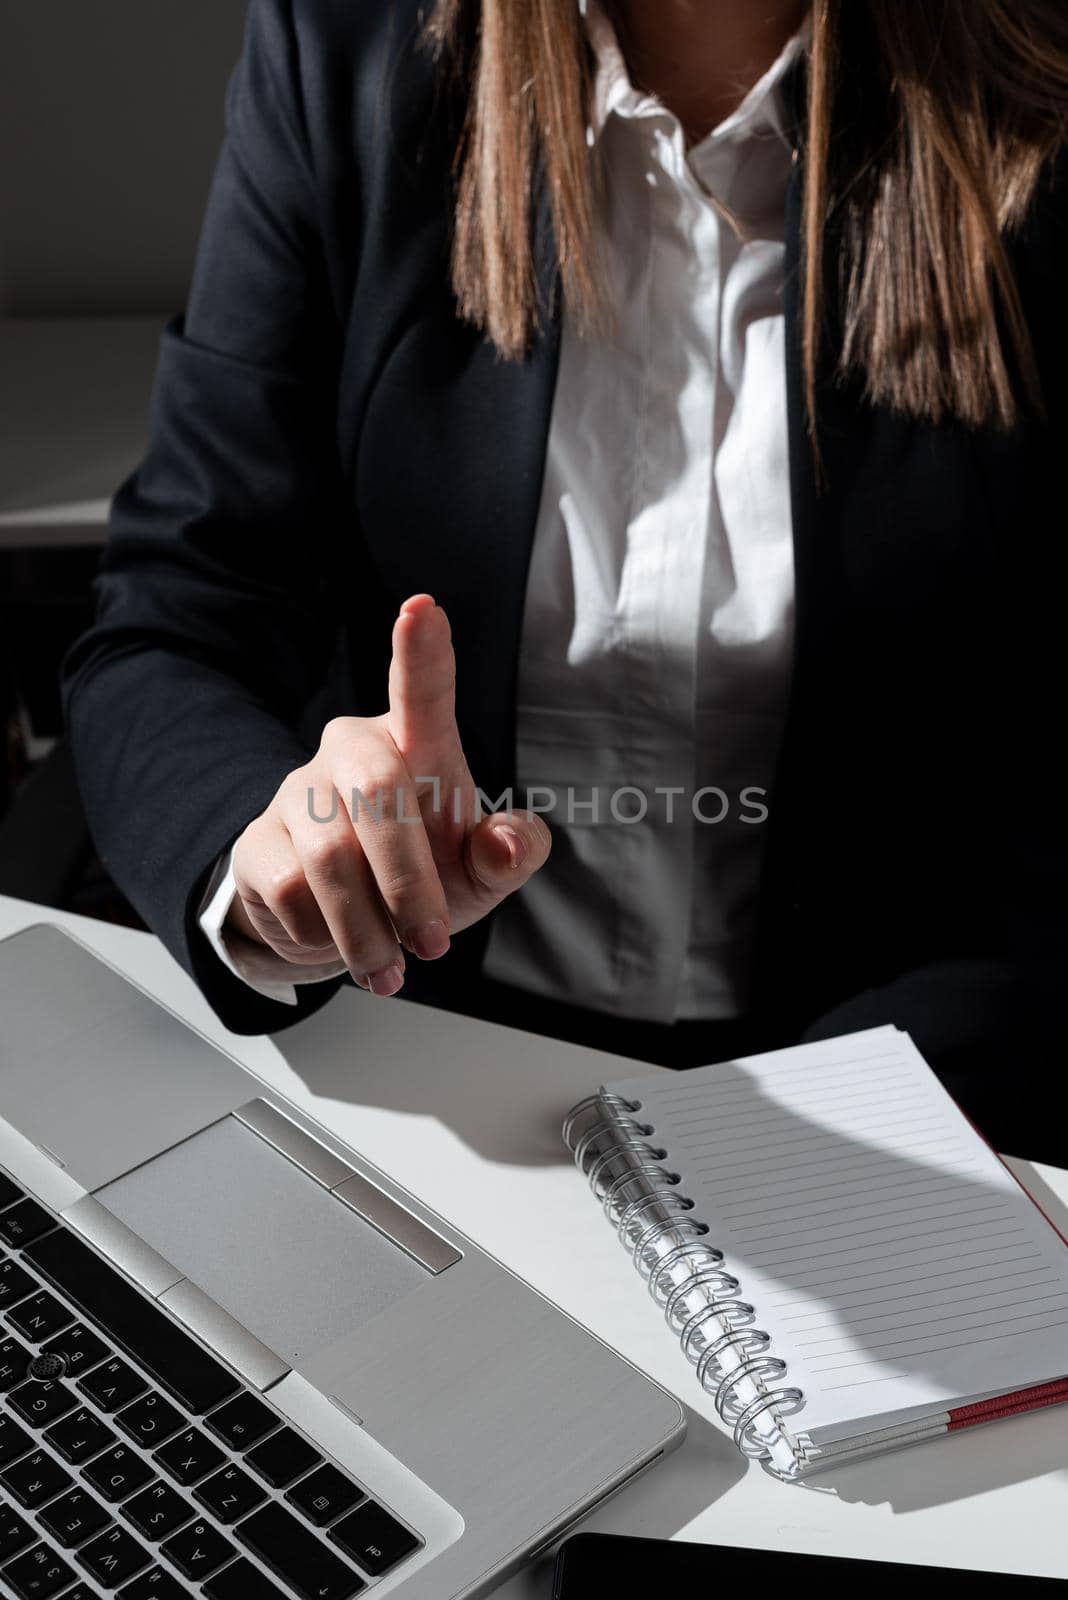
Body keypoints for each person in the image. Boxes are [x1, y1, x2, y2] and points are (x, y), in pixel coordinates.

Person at [64, 0, 1067, 1161]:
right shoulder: (344, 50)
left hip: (904, 1090)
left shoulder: (1033, 86)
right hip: (417, 1060)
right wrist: (280, 870)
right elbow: (175, 619)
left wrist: (913, 1095)